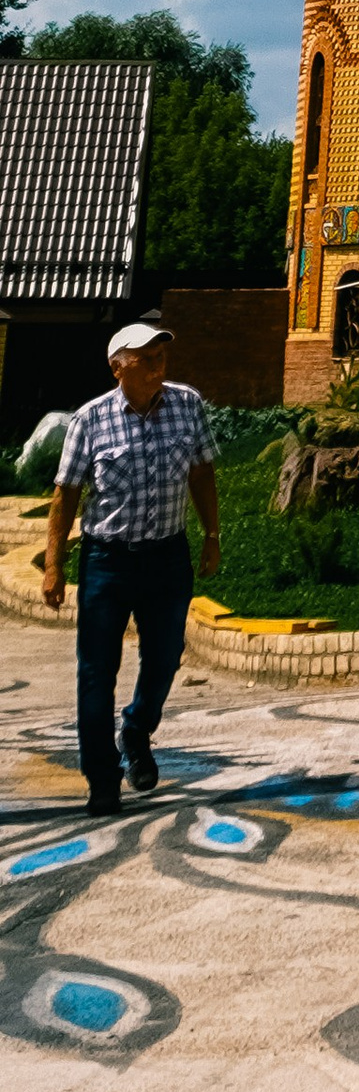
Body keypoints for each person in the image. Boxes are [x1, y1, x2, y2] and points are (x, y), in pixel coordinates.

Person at [41, 316, 222, 815]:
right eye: (146, 361)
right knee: (97, 671)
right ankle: (102, 777)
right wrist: (54, 566)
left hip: (167, 555)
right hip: (108, 561)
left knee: (165, 657)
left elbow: (203, 470)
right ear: (117, 369)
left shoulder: (187, 405)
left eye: (161, 358)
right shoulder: (90, 420)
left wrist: (211, 535)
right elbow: (66, 494)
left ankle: (137, 730)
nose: (157, 369)